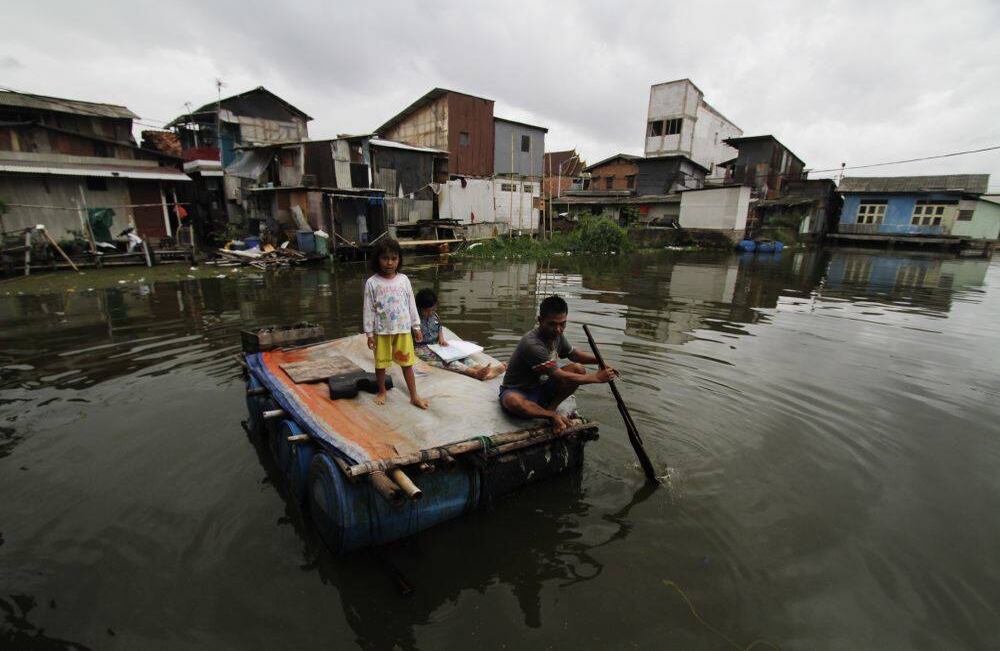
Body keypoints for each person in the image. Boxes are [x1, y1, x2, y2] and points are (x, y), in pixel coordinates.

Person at [499, 295, 616, 433]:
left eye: (563, 324)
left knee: (578, 369)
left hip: (541, 387)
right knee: (512, 401)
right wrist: (596, 378)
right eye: (552, 324)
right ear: (540, 320)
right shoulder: (532, 344)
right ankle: (551, 415)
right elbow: (560, 376)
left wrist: (600, 360)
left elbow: (574, 355)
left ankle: (551, 408)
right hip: (519, 391)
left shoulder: (557, 335)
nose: (558, 329)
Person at [362, 238, 428, 409]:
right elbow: (368, 309)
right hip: (381, 331)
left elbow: (411, 303)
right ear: (377, 259)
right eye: (385, 258)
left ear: (399, 259)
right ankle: (382, 391)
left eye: (394, 258)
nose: (389, 262)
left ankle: (414, 395)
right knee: (381, 364)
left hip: (403, 330)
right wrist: (369, 334)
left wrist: (416, 326)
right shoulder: (372, 282)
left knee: (407, 363)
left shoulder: (404, 280)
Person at [413, 288, 506, 381]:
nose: (430, 313)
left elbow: (439, 327)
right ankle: (475, 373)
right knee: (447, 361)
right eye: (427, 311)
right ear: (419, 308)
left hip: (436, 345)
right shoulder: (414, 320)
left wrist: (441, 338)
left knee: (460, 356)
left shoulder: (434, 316)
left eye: (432, 310)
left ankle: (484, 369)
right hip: (421, 348)